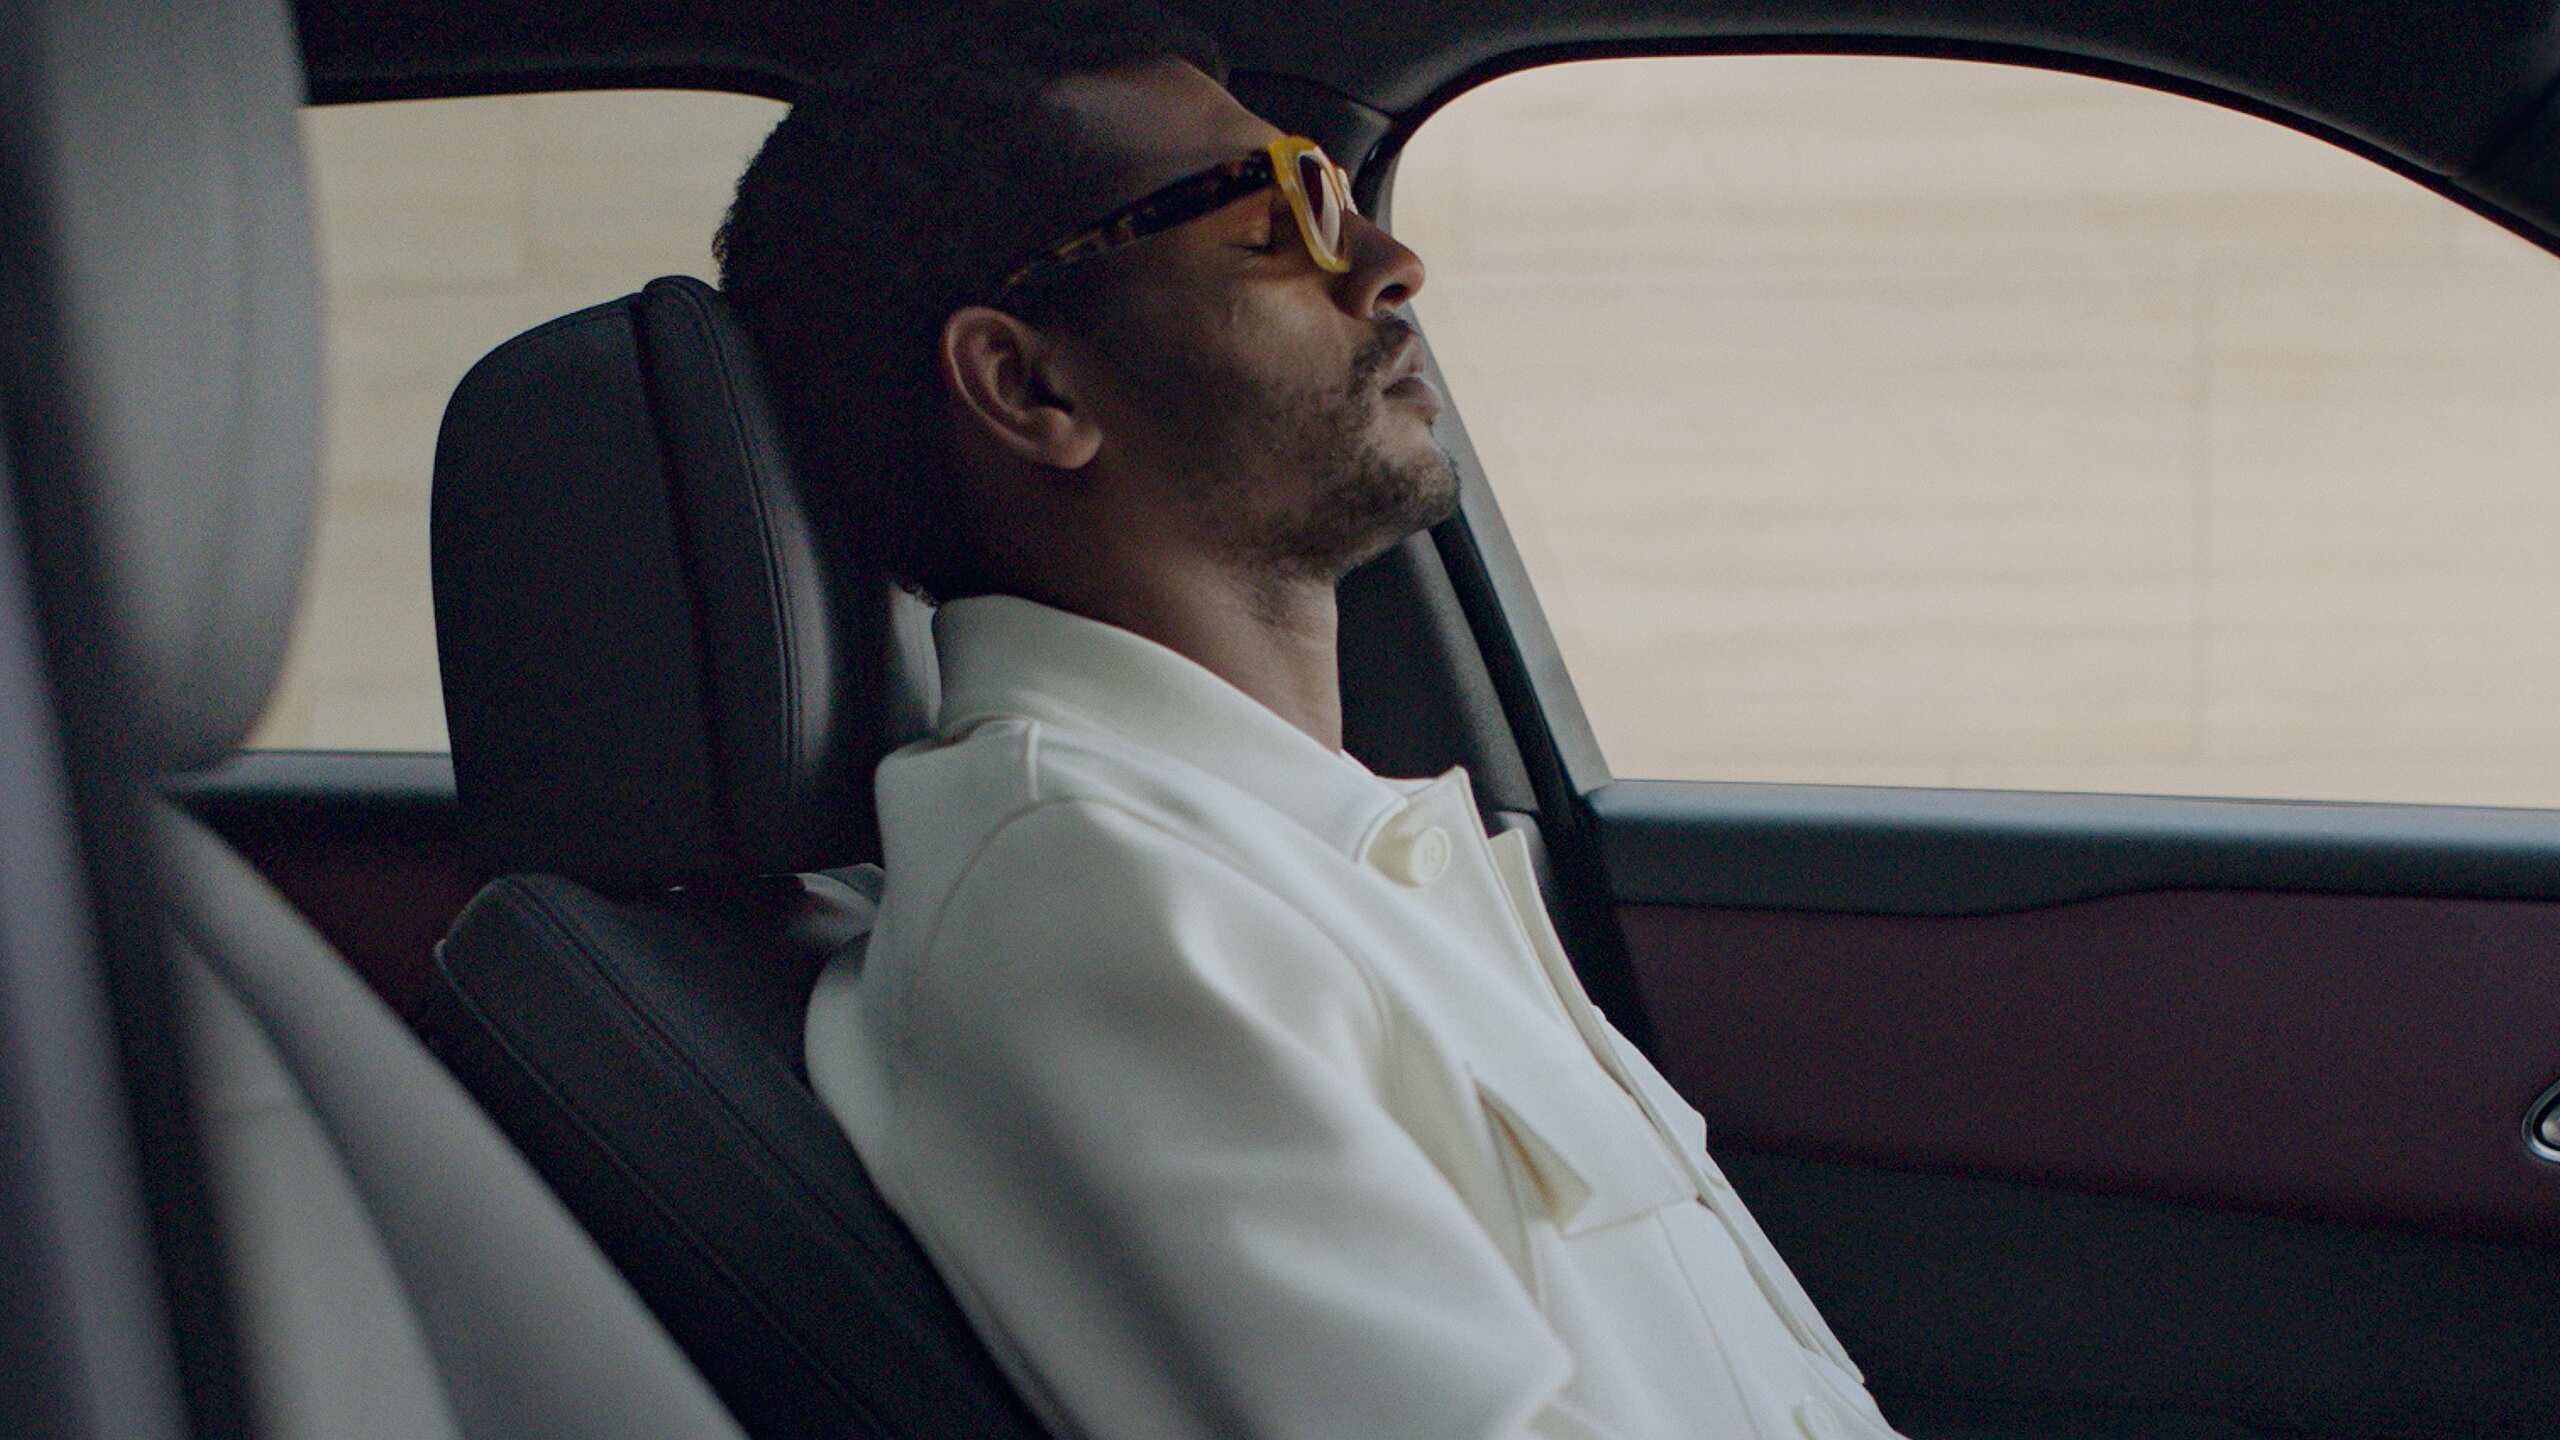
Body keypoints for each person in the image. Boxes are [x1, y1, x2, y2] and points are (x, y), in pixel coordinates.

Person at [719, 5, 1906, 1436]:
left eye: (1341, 196)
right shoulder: (1087, 890)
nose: (1392, 264)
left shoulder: (1302, 840)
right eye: (1278, 217)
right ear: (1030, 386)